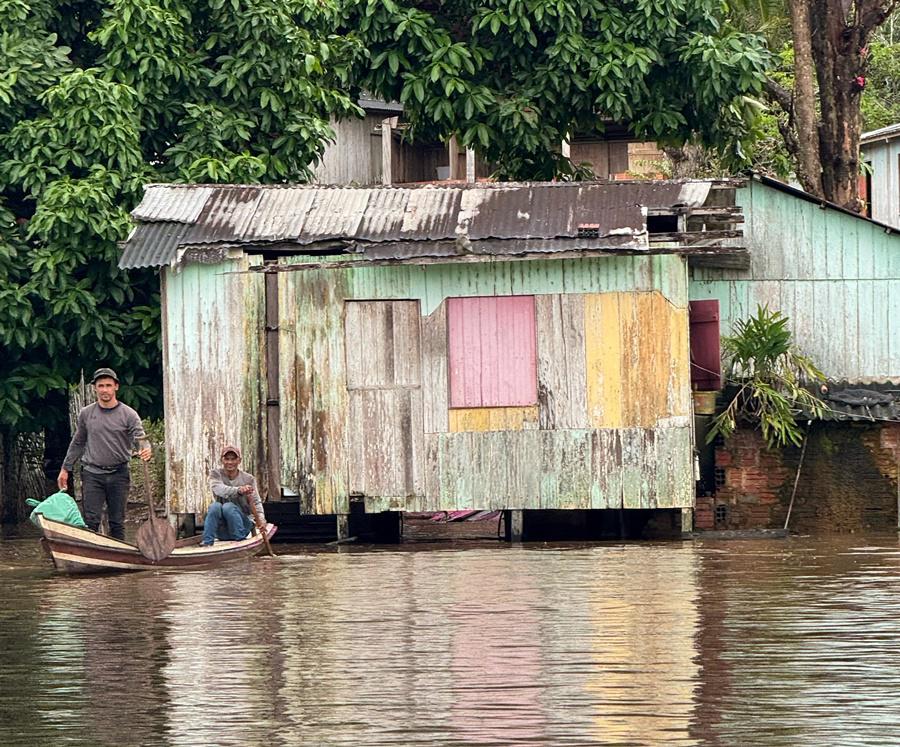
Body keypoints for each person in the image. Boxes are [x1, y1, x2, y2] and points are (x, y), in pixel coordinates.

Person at [57, 367, 151, 541]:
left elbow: (140, 438)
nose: (105, 390)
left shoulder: (129, 414)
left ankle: (120, 557)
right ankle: (90, 556)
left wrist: (146, 449)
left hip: (119, 473)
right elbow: (78, 442)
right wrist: (65, 468)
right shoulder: (86, 414)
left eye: (108, 385)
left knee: (117, 522)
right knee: (91, 520)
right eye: (101, 386)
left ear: (116, 386)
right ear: (95, 388)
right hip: (92, 473)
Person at [203, 445, 265, 546]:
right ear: (222, 460)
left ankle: (240, 542)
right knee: (215, 506)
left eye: (233, 459)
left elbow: (256, 502)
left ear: (239, 460)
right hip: (222, 529)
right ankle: (207, 543)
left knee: (229, 507)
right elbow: (219, 489)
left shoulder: (248, 479)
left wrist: (261, 520)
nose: (230, 462)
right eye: (227, 459)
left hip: (242, 526)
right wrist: (239, 490)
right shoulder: (215, 474)